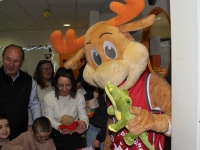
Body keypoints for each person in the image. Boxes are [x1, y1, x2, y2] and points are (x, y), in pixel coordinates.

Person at [0, 44, 41, 140]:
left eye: (16, 61)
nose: (11, 64)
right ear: (2, 58)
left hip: (21, 134)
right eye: (8, 59)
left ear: (22, 62)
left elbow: (34, 104)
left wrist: (37, 124)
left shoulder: (28, 80)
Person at [44, 67, 89, 150]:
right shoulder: (49, 97)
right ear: (56, 83)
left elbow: (83, 115)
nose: (64, 89)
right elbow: (49, 118)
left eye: (68, 85)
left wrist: (84, 123)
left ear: (73, 83)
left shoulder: (79, 97)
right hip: (55, 135)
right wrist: (60, 127)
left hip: (74, 136)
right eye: (60, 85)